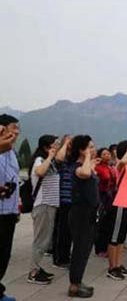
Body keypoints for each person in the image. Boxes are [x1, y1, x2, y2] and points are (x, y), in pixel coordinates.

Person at [28, 135, 62, 285]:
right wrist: (50, 156)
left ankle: (37, 267)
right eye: (55, 144)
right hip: (43, 205)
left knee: (45, 239)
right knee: (40, 240)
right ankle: (33, 272)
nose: (57, 146)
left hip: (50, 205)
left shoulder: (51, 162)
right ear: (46, 147)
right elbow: (40, 172)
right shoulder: (40, 160)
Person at [67, 135, 99, 298]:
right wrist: (87, 158)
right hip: (80, 214)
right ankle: (74, 285)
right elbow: (85, 174)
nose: (93, 149)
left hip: (90, 213)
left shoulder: (86, 165)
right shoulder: (77, 167)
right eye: (90, 147)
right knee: (79, 250)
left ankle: (78, 280)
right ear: (82, 149)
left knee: (85, 250)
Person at [106, 141, 127, 279]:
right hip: (119, 204)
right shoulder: (120, 165)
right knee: (114, 237)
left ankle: (119, 264)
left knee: (121, 238)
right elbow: (121, 162)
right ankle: (112, 267)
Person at [0, 114, 20, 301]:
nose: (17, 132)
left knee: (5, 253)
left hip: (10, 209)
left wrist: (17, 207)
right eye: (13, 127)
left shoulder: (12, 152)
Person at [52, 135, 74, 269]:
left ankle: (66, 256)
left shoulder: (73, 159)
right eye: (69, 141)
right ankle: (59, 258)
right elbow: (58, 159)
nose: (71, 143)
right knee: (62, 230)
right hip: (63, 199)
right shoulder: (61, 157)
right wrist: (65, 144)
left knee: (69, 231)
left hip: (73, 199)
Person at [94, 148, 116, 257]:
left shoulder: (110, 167)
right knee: (101, 223)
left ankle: (107, 245)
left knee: (108, 223)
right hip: (102, 196)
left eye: (108, 153)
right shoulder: (97, 168)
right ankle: (100, 248)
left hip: (110, 196)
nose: (107, 155)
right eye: (104, 154)